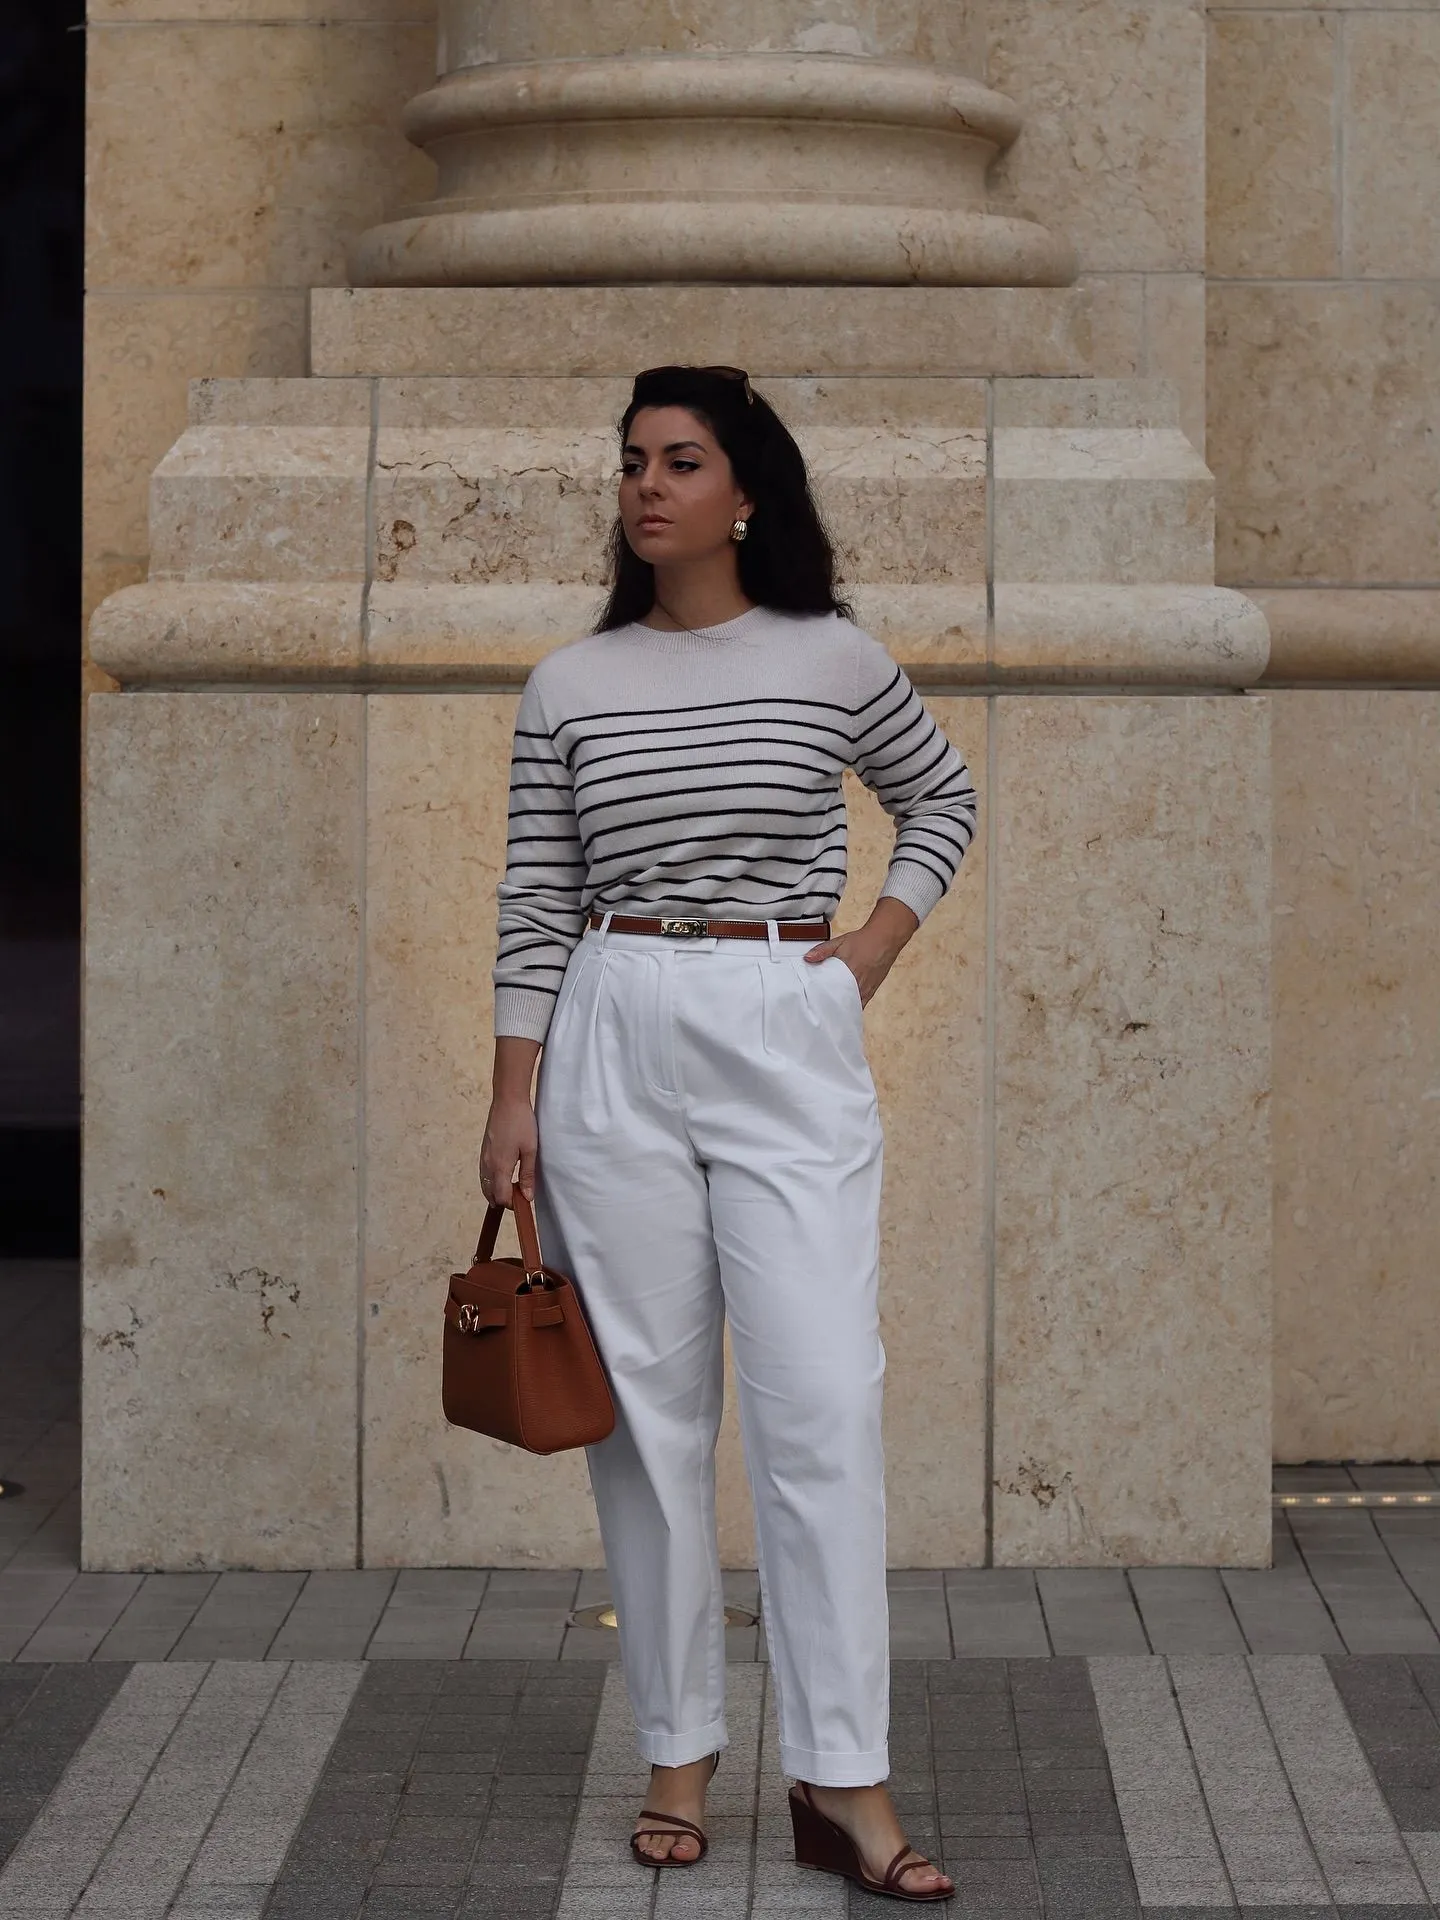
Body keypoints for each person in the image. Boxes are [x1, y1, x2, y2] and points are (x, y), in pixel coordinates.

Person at [479, 364, 977, 1903]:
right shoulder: (569, 681)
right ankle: (679, 1754)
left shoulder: (831, 657)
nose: (646, 486)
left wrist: (870, 954)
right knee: (643, 1421)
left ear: (747, 490)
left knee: (822, 1402)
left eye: (680, 461)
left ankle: (846, 1779)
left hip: (778, 1009)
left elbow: (940, 797)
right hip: (612, 1020)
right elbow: (534, 895)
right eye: (632, 461)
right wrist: (512, 1095)